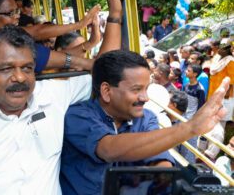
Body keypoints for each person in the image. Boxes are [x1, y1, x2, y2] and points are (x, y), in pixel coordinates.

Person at [0, 0, 123, 194]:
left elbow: (106, 73)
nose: (19, 78)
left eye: (27, 68)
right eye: (6, 69)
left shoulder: (51, 95)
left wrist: (115, 16)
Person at [60, 50, 230, 195]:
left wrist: (162, 179)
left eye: (146, 88)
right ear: (106, 91)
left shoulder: (146, 118)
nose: (145, 98)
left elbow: (158, 161)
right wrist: (190, 128)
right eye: (136, 90)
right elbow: (108, 149)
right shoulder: (78, 116)